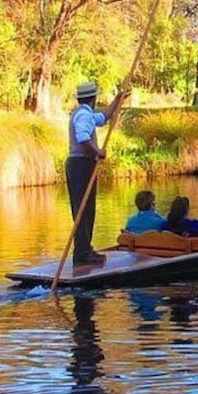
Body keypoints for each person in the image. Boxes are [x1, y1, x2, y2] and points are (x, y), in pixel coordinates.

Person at [66, 81, 129, 265]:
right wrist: (97, 152)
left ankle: (84, 251)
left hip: (81, 165)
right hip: (81, 165)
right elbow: (83, 138)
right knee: (83, 210)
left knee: (86, 209)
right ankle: (83, 253)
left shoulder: (85, 113)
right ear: (93, 98)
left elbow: (104, 117)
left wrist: (118, 100)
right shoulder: (84, 116)